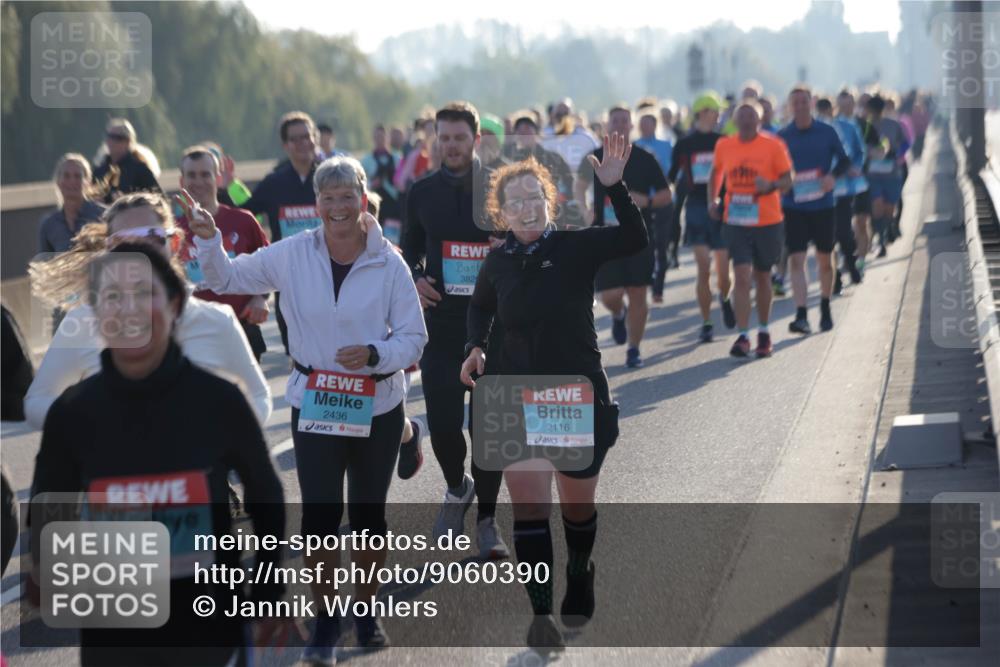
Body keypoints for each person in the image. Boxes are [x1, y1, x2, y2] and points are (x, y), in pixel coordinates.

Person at [188, 155, 427, 661]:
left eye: (347, 197)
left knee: (367, 520)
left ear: (363, 201)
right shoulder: (293, 253)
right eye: (328, 198)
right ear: (316, 204)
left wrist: (376, 355)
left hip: (376, 402)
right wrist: (209, 238)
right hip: (315, 398)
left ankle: (364, 610)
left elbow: (414, 337)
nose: (338, 207)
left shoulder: (389, 262)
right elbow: (226, 279)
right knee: (319, 519)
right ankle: (325, 619)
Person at [30, 242, 288, 666]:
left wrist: (267, 595)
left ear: (174, 305)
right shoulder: (73, 414)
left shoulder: (220, 401)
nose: (128, 309)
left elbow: (267, 499)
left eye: (143, 293)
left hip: (212, 636)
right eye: (112, 297)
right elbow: (48, 501)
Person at [460, 133, 643, 651]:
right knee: (531, 512)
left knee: (576, 509)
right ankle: (541, 617)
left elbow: (634, 240)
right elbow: (480, 307)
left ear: (549, 202)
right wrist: (475, 345)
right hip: (516, 393)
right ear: (502, 210)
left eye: (532, 197)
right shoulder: (497, 262)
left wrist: (616, 187)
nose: (524, 207)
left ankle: (581, 570)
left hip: (576, 392)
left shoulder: (575, 246)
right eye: (513, 201)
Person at [24, 192, 272, 430]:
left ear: (174, 243)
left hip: (201, 470)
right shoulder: (82, 321)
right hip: (110, 467)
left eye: (150, 237)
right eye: (122, 243)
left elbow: (258, 395)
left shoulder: (216, 320)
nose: (137, 253)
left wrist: (224, 434)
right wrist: (87, 423)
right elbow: (37, 400)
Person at [402, 101, 510, 559]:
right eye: (443, 138)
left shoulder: (501, 187)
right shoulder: (420, 191)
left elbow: (534, 236)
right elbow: (407, 253)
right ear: (435, 141)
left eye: (459, 138)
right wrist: (416, 275)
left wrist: (505, 246)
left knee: (486, 428)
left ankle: (486, 520)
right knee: (446, 426)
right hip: (443, 326)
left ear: (476, 140)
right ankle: (455, 487)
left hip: (492, 326)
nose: (450, 146)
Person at [576, 105, 671, 368]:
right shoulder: (594, 156)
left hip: (639, 234)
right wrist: (583, 208)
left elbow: (667, 195)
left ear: (631, 125)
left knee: (638, 292)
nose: (619, 124)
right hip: (605, 235)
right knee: (610, 295)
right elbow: (579, 185)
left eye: (624, 120)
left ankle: (634, 349)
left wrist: (647, 200)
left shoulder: (644, 157)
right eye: (614, 120)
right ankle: (619, 315)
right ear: (607, 125)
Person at [710, 99, 793, 358]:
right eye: (741, 116)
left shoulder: (773, 145)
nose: (746, 120)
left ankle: (765, 331)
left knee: (762, 276)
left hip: (767, 220)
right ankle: (744, 336)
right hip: (736, 220)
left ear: (759, 120)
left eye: (751, 116)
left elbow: (788, 181)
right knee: (742, 275)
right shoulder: (725, 145)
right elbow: (716, 172)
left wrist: (769, 185)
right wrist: (713, 198)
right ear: (735, 121)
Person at [174, 146, 271, 362]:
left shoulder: (244, 221)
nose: (198, 181)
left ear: (218, 178)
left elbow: (267, 268)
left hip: (241, 330)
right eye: (191, 175)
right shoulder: (172, 230)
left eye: (205, 174)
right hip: (192, 335)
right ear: (182, 182)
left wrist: (259, 298)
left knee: (246, 396)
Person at [241, 111, 322, 354]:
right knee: (297, 352)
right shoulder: (274, 183)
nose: (302, 143)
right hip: (289, 275)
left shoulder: (330, 177)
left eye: (307, 136)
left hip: (329, 270)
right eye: (295, 139)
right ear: (285, 145)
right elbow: (244, 216)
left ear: (315, 139)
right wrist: (224, 190)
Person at [778, 86, 851, 334]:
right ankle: (801, 315)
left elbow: (844, 160)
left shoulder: (827, 131)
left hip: (822, 205)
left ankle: (825, 305)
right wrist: (781, 183)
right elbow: (774, 170)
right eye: (794, 102)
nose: (798, 106)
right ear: (789, 107)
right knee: (796, 260)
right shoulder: (783, 136)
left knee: (825, 261)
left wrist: (832, 176)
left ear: (811, 103)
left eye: (803, 101)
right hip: (794, 206)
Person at [668, 91, 734, 342]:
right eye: (716, 111)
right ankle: (707, 322)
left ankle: (725, 297)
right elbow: (672, 176)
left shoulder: (725, 140)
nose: (719, 115)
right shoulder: (685, 144)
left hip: (721, 208)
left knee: (723, 269)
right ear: (703, 112)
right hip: (695, 207)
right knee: (703, 268)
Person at [817, 96, 866, 288]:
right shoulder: (812, 131)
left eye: (826, 110)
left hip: (844, 188)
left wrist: (855, 167)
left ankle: (852, 265)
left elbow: (858, 152)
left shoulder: (846, 126)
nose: (823, 115)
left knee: (844, 232)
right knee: (829, 237)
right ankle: (835, 276)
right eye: (819, 111)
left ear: (832, 109)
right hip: (822, 192)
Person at [635, 104, 676, 299]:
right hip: (641, 203)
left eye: (648, 123)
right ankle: (648, 277)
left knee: (662, 243)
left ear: (655, 124)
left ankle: (658, 285)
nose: (645, 127)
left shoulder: (666, 144)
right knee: (646, 243)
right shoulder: (634, 145)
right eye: (641, 124)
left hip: (662, 200)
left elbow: (672, 171)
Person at [865, 94, 907, 258]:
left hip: (892, 174)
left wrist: (897, 155)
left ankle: (887, 228)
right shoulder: (865, 127)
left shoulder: (893, 125)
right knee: (877, 206)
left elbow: (905, 143)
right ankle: (881, 241)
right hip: (873, 174)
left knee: (889, 208)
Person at [38, 154, 106, 254]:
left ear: (87, 182)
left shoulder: (104, 216)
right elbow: (44, 265)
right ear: (58, 182)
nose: (72, 181)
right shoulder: (49, 225)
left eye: (77, 176)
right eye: (66, 176)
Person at [92, 118, 161, 203]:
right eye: (109, 136)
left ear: (128, 141)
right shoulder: (99, 171)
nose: (111, 141)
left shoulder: (140, 170)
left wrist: (127, 202)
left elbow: (159, 200)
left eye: (117, 138)